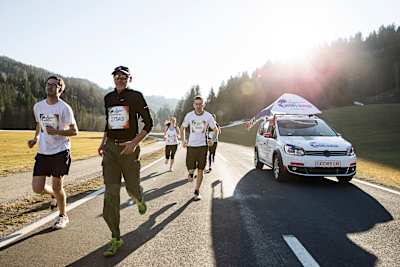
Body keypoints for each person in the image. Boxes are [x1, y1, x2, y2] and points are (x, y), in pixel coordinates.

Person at [97, 66, 153, 257]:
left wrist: (134, 143)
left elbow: (149, 123)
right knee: (111, 192)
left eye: (124, 77)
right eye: (117, 76)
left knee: (132, 188)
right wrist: (103, 143)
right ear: (113, 78)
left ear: (130, 79)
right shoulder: (108, 98)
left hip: (129, 149)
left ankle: (138, 196)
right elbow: (108, 122)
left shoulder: (136, 96)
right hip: (111, 150)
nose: (120, 79)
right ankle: (115, 237)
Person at [27, 75, 78, 229]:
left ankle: (63, 216)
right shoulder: (38, 106)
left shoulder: (64, 108)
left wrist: (57, 132)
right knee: (37, 188)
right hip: (43, 152)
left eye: (54, 85)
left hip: (60, 151)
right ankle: (53, 195)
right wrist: (35, 138)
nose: (50, 87)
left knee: (57, 186)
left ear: (60, 89)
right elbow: (39, 124)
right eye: (48, 84)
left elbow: (74, 131)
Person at [181, 96, 216, 201]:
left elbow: (215, 130)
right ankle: (191, 172)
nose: (198, 106)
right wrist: (183, 140)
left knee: (201, 169)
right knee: (190, 167)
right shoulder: (189, 116)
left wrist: (212, 139)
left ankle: (197, 191)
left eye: (200, 104)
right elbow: (182, 128)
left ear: (203, 104)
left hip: (203, 146)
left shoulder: (208, 116)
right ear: (193, 105)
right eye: (196, 104)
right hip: (191, 146)